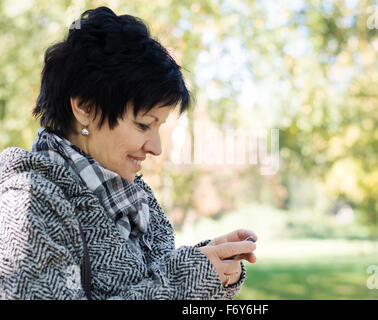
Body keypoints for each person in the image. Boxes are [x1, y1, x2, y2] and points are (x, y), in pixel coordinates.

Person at [0, 6, 257, 300]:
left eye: (158, 127)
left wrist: (209, 266)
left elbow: (155, 284)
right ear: (84, 107)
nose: (156, 148)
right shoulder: (26, 206)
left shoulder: (136, 197)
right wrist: (186, 280)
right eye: (144, 124)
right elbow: (168, 287)